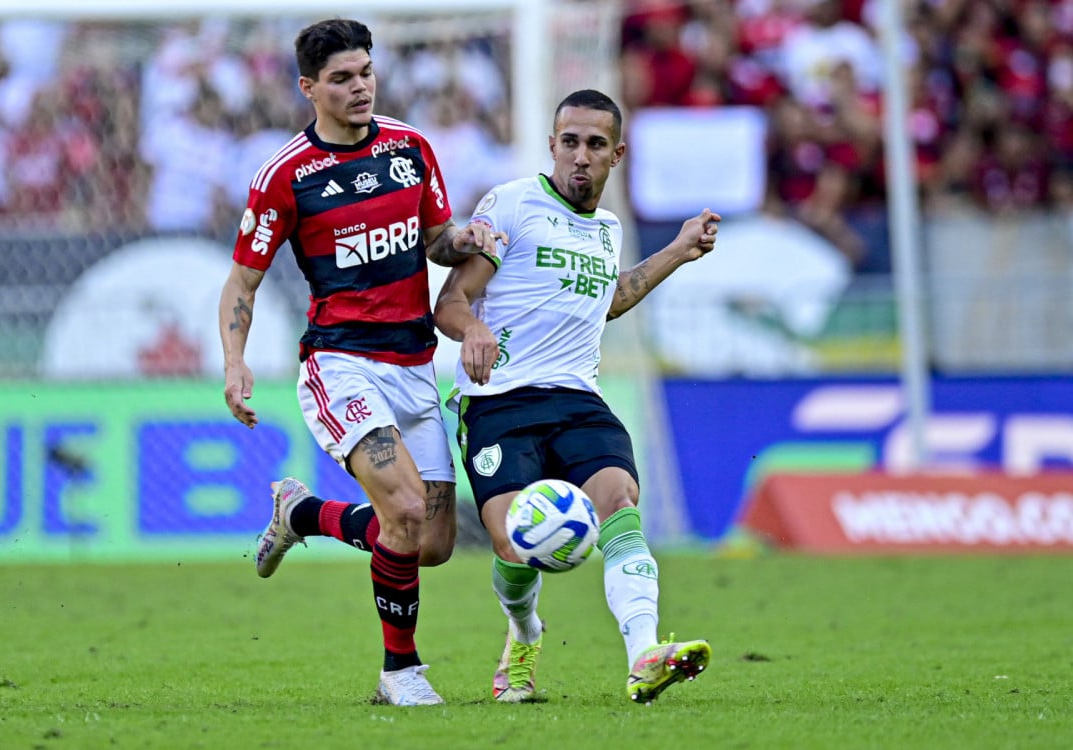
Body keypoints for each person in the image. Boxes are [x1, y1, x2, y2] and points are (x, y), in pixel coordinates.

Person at [217, 18, 503, 707]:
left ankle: (302, 513)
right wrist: (234, 362)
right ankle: (400, 673)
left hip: (414, 366)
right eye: (342, 78)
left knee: (430, 541)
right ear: (308, 88)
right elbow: (242, 284)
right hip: (341, 363)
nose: (360, 87)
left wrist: (466, 237)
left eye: (366, 72)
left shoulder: (410, 150)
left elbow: (435, 241)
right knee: (403, 508)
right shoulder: (286, 176)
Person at [433, 89, 719, 704]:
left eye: (595, 145)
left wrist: (676, 250)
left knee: (619, 503)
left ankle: (644, 653)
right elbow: (450, 303)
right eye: (570, 142)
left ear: (616, 154)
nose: (580, 156)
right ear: (553, 146)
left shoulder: (609, 228)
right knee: (514, 541)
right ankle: (524, 630)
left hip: (578, 399)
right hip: (500, 401)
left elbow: (606, 300)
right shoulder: (513, 204)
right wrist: (475, 329)